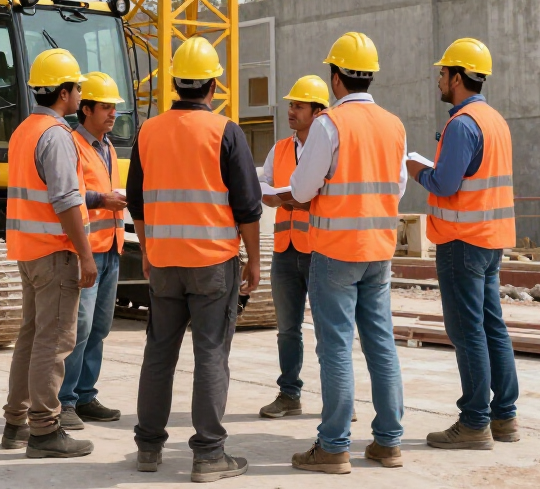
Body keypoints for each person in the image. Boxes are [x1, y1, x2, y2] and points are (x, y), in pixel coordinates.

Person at [126, 36, 263, 483]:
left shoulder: (149, 131)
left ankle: (148, 447)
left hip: (163, 262)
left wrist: (147, 250)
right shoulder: (226, 132)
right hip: (212, 264)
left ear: (175, 84)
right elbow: (247, 207)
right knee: (210, 356)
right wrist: (254, 260)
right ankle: (208, 456)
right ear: (212, 85)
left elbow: (137, 202)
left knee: (159, 354)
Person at [274, 31, 408, 473]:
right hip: (379, 250)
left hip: (335, 251)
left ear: (335, 78)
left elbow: (303, 187)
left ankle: (333, 446)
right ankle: (388, 442)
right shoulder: (394, 125)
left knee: (335, 347)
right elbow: (399, 188)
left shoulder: (330, 124)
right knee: (381, 344)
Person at [406, 37, 519, 451]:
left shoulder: (461, 124)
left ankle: (474, 422)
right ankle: (504, 416)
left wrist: (418, 169)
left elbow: (446, 184)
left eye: (442, 73)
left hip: (461, 241)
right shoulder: (495, 121)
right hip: (491, 240)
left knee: (467, 331)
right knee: (492, 326)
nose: (438, 79)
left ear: (457, 77)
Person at [1, 48, 97, 459]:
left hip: (28, 251)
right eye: (77, 87)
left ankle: (15, 424)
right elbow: (65, 200)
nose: (79, 94)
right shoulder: (57, 136)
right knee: (53, 341)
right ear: (64, 92)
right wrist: (86, 256)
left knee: (30, 336)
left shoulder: (26, 130)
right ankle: (44, 430)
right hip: (55, 253)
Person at [58, 71, 129, 429]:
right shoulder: (71, 144)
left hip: (111, 248)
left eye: (114, 108)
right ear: (85, 109)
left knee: (99, 326)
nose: (112, 114)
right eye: (105, 107)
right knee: (79, 327)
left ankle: (85, 395)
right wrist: (102, 199)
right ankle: (65, 401)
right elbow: (67, 195)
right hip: (86, 250)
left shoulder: (109, 147)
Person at [258, 75, 329, 419]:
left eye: (298, 106)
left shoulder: (329, 145)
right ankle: (289, 394)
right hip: (285, 250)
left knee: (329, 330)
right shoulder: (281, 149)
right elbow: (263, 180)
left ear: (318, 112)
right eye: (291, 104)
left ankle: (337, 397)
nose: (291, 111)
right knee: (287, 329)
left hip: (318, 249)